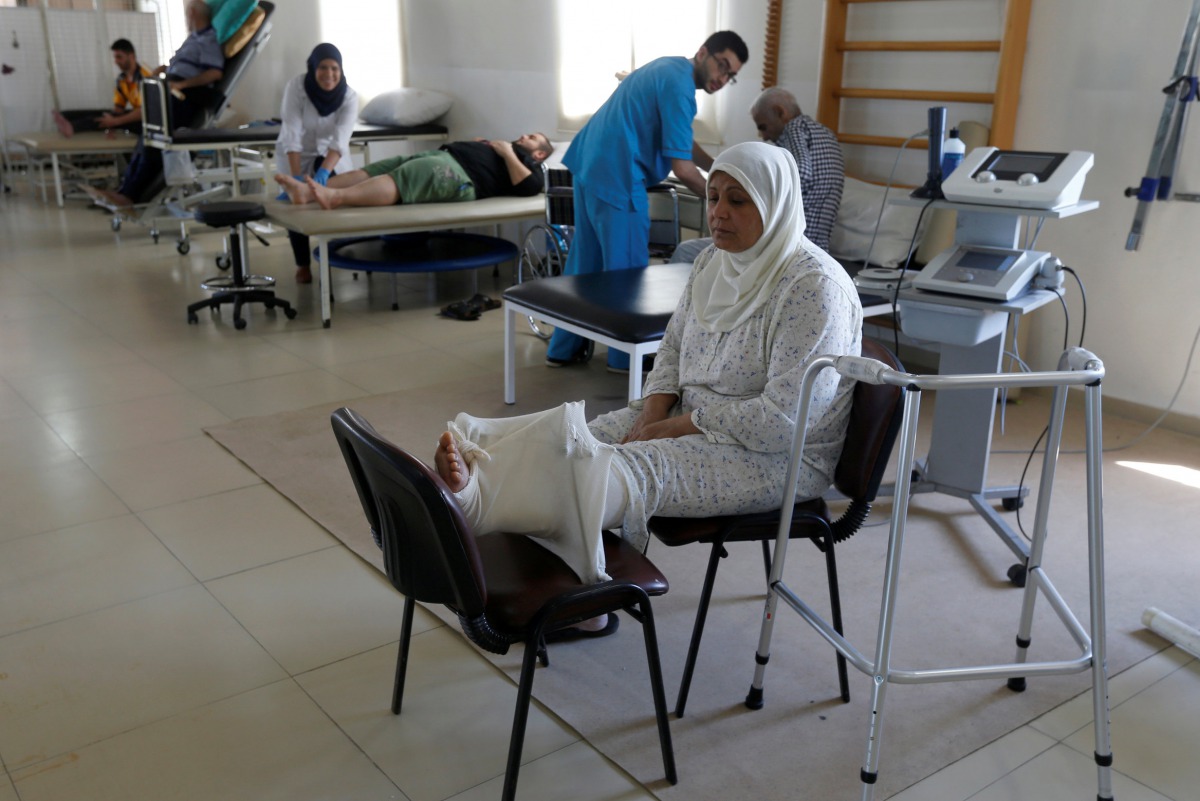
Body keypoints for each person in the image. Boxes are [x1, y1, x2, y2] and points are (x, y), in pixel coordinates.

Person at [431, 142, 863, 636]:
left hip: (777, 455)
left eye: (738, 201)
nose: (718, 213)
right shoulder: (711, 262)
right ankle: (497, 504)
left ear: (776, 205)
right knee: (576, 439)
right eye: (714, 196)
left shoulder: (813, 288)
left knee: (619, 469)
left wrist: (674, 428)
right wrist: (653, 413)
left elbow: (786, 421)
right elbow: (674, 349)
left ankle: (472, 506)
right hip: (694, 413)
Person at [544, 30, 750, 373]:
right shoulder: (681, 88)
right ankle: (625, 359)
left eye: (731, 76)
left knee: (585, 268)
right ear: (702, 53)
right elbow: (682, 168)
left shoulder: (668, 70)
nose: (723, 78)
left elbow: (683, 144)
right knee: (628, 274)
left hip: (591, 165)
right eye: (722, 66)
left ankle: (562, 350)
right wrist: (721, 201)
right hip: (618, 175)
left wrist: (719, 168)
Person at [671, 87, 845, 265]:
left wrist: (755, 190)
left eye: (763, 126)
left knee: (685, 251)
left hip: (787, 243)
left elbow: (802, 175)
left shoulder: (794, 128)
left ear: (780, 112)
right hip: (818, 244)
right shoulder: (824, 134)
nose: (763, 135)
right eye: (714, 198)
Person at [85, 0, 224, 208]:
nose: (186, 17)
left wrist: (181, 84)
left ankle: (131, 194)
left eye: (187, 13)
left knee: (155, 141)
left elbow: (215, 72)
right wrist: (164, 71)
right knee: (146, 137)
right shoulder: (193, 39)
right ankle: (124, 190)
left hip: (185, 98)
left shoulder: (208, 39)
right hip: (170, 91)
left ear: (193, 12)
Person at [273, 133, 553, 209]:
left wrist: (505, 152)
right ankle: (307, 194)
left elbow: (529, 187)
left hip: (461, 176)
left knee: (402, 178)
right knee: (379, 168)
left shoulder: (532, 165)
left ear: (540, 153)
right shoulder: (509, 149)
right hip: (446, 156)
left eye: (532, 137)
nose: (523, 136)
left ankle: (335, 198)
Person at [275, 43, 359, 283]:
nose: (329, 74)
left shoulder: (349, 97)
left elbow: (340, 140)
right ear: (313, 67)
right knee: (298, 208)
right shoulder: (297, 87)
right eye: (323, 67)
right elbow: (291, 130)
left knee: (334, 203)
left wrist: (323, 174)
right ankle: (302, 264)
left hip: (332, 157)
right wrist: (295, 178)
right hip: (295, 154)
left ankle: (335, 255)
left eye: (335, 68)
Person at [52, 39, 152, 137]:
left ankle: (73, 127)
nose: (116, 61)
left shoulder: (145, 76)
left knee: (104, 119)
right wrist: (111, 124)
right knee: (101, 114)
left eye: (119, 57)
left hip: (147, 121)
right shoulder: (122, 79)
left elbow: (144, 111)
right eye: (115, 58)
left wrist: (115, 122)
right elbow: (119, 109)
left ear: (131, 56)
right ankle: (67, 117)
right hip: (136, 114)